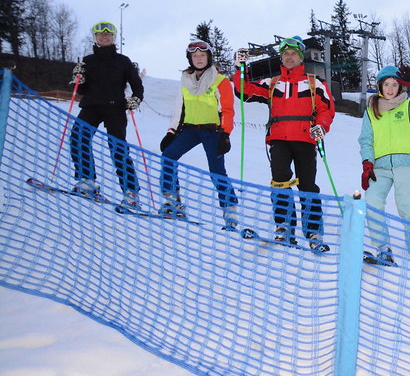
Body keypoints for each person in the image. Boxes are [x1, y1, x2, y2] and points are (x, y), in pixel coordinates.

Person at [233, 36, 335, 252]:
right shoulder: (273, 82)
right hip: (279, 138)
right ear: (282, 57)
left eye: (294, 54)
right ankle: (284, 226)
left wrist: (322, 126)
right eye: (286, 54)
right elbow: (245, 90)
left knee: (307, 185)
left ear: (300, 57)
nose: (290, 57)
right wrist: (240, 68)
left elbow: (327, 108)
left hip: (306, 138)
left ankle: (313, 232)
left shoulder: (314, 82)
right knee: (280, 180)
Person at [358, 64, 410, 270]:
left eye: (395, 84)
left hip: (405, 165)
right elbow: (366, 139)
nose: (391, 89)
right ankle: (383, 249)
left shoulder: (409, 107)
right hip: (380, 167)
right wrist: (367, 162)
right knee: (373, 202)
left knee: (409, 210)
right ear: (380, 87)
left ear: (401, 87)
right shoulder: (371, 111)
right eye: (386, 84)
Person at [158, 39, 239, 229]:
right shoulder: (186, 81)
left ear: (208, 57)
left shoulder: (220, 80)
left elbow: (227, 109)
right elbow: (180, 108)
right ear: (190, 59)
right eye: (195, 56)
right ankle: (172, 201)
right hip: (190, 129)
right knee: (168, 156)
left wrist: (225, 134)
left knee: (216, 170)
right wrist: (171, 132)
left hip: (212, 130)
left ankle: (230, 213)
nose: (199, 58)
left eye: (202, 55)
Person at [69, 20, 144, 211]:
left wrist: (136, 99)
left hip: (115, 108)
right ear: (95, 38)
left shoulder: (122, 61)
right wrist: (79, 78)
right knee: (78, 137)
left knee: (118, 148)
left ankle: (131, 193)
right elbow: (83, 89)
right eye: (100, 35)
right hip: (91, 106)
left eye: (108, 35)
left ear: (113, 38)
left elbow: (137, 84)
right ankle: (87, 181)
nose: (104, 37)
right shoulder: (88, 61)